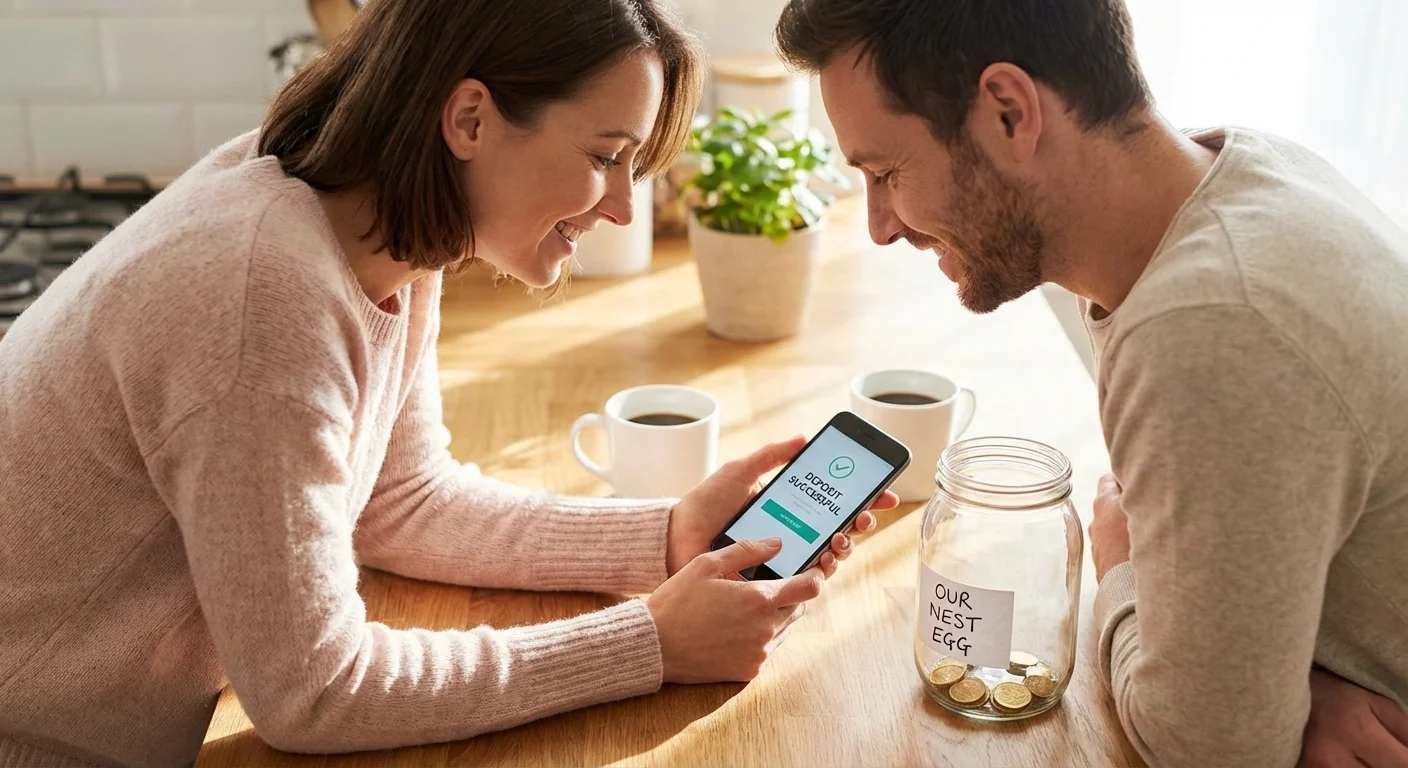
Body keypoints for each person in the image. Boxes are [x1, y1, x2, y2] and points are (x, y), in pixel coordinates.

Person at [0, 1, 897, 765]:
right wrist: (649, 643)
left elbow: (403, 502)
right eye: (603, 154)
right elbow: (313, 691)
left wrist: (665, 534)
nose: (625, 205)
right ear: (468, 119)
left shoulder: (384, 230)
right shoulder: (259, 298)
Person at [773, 0, 1408, 765]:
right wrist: (1272, 688)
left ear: (1009, 112)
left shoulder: (1211, 321)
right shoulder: (1247, 174)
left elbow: (1207, 748)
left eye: (885, 172)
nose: (880, 225)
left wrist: (1120, 570)